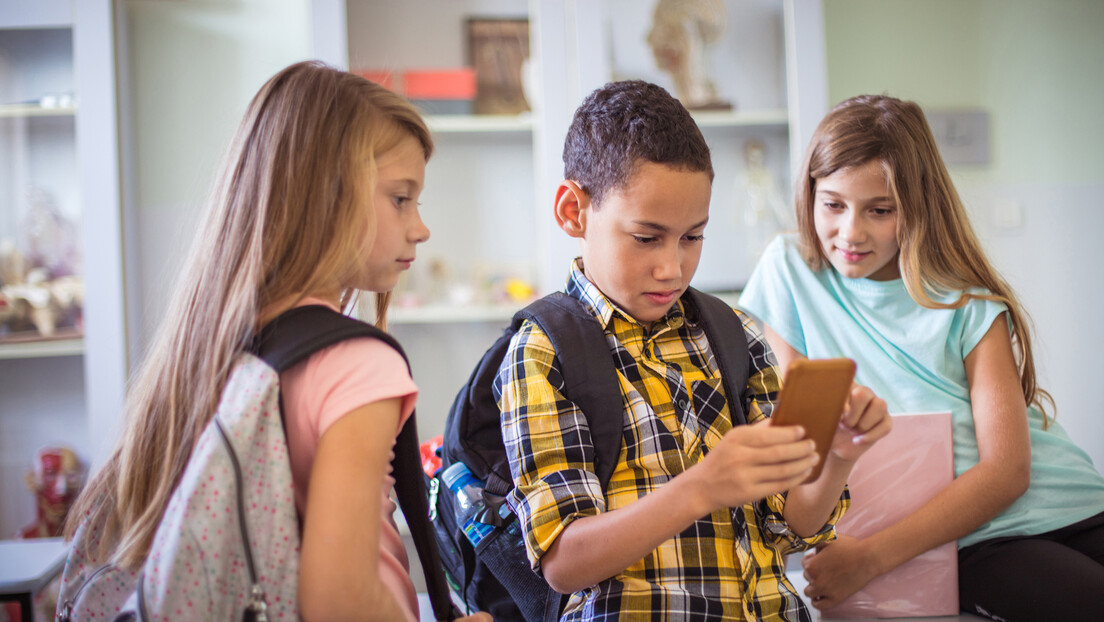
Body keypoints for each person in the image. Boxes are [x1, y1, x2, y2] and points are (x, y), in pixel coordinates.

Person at [63, 61, 489, 622]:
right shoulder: (357, 365)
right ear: (325, 196)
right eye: (400, 198)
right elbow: (340, 600)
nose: (420, 227)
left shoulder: (219, 344)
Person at [493, 79, 890, 621]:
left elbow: (793, 524)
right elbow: (563, 559)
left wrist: (840, 453)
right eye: (646, 237)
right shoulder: (545, 350)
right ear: (574, 211)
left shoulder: (735, 333)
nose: (672, 267)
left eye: (692, 237)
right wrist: (701, 488)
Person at [738, 94, 1104, 620]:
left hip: (1075, 501)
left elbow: (1008, 471)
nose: (851, 232)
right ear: (810, 193)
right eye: (834, 204)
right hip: (976, 537)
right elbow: (806, 442)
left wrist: (870, 559)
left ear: (916, 205)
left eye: (880, 210)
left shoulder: (963, 295)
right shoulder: (788, 271)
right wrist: (860, 554)